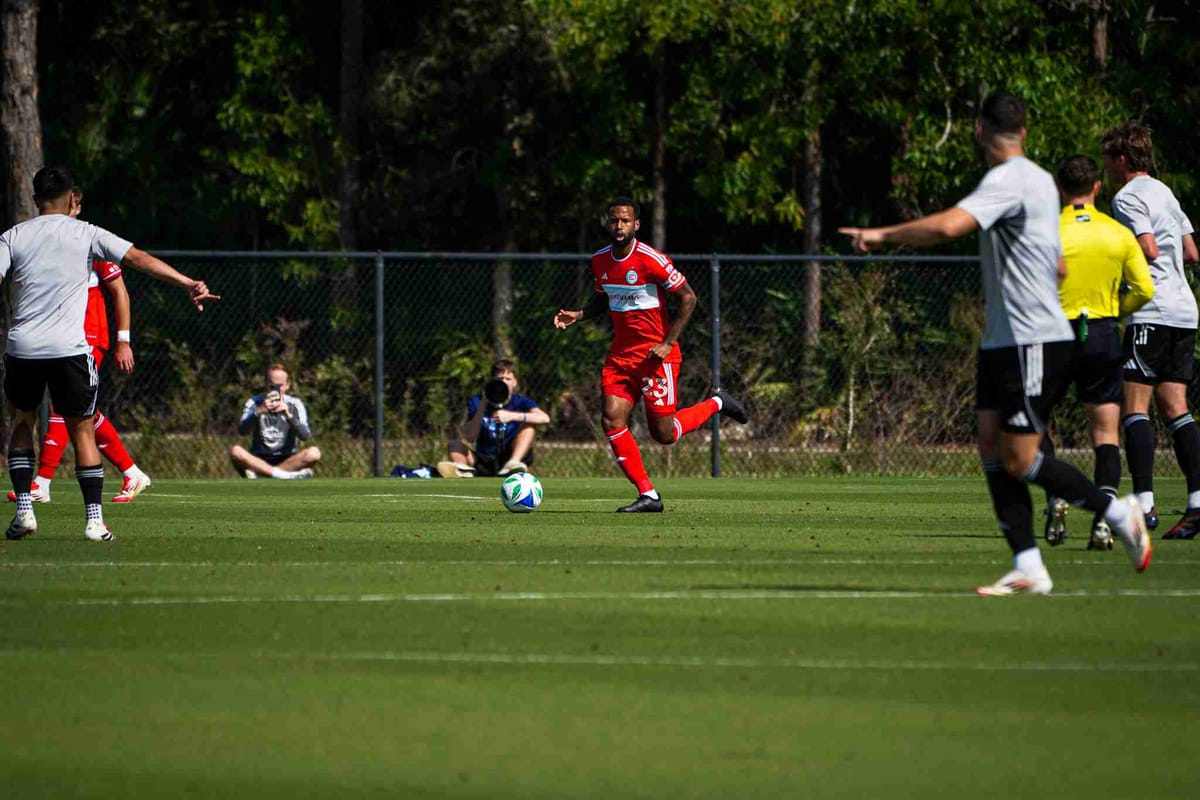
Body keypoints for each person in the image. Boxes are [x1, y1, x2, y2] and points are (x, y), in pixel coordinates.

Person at [838, 92, 1151, 595]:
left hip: (1032, 338)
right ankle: (1028, 565)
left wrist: (879, 235)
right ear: (1024, 131)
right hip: (1003, 339)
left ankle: (1118, 510)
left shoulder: (1007, 180)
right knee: (989, 443)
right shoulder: (1042, 183)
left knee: (1021, 458)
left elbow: (948, 226)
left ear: (980, 131)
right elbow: (1057, 262)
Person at [1, 165, 218, 542]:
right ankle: (94, 522)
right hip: (69, 349)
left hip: (23, 348)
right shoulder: (88, 233)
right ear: (73, 199)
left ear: (35, 200)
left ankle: (25, 511)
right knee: (82, 430)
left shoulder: (13, 236)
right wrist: (187, 282)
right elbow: (138, 259)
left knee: (22, 423)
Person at [554, 196, 748, 512]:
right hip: (620, 357)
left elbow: (688, 299)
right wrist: (579, 314)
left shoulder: (651, 260)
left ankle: (717, 402)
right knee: (611, 418)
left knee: (665, 434)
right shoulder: (600, 260)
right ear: (608, 222)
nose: (619, 226)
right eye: (614, 220)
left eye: (625, 221)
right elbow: (604, 298)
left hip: (656, 358)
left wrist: (668, 342)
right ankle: (649, 494)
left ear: (636, 225)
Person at [6, 191, 153, 505]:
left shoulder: (88, 241)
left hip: (86, 337)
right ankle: (131, 471)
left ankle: (42, 483)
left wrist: (123, 340)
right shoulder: (40, 244)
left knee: (65, 410)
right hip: (56, 339)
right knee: (83, 414)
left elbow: (120, 290)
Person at [1040, 155, 1154, 550]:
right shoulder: (1117, 233)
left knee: (1034, 422)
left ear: (1059, 188)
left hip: (1052, 334)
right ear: (1097, 188)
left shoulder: (1046, 229)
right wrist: (1113, 313)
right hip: (1102, 332)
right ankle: (1105, 518)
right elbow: (1144, 289)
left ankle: (1055, 495)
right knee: (1106, 433)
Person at [1101, 122, 1200, 540]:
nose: (1105, 166)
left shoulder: (1126, 197)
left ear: (1122, 159)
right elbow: (1192, 252)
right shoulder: (1165, 191)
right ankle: (1197, 504)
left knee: (1134, 406)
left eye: (1107, 157)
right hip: (1184, 311)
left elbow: (1147, 248)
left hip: (1152, 311)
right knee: (1175, 407)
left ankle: (1144, 505)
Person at [438, 360, 550, 478]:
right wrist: (483, 405)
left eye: (508, 379)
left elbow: (545, 418)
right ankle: (462, 471)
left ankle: (512, 465)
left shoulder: (520, 402)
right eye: (500, 379)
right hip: (483, 458)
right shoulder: (477, 401)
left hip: (508, 456)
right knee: (455, 445)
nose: (504, 382)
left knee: (529, 428)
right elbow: (470, 437)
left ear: (515, 383)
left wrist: (512, 416)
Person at [229, 364, 320, 479]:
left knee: (314, 453)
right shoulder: (254, 402)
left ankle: (265, 475)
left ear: (287, 385)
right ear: (266, 385)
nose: (276, 390)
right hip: (259, 459)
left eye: (280, 386)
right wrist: (259, 411)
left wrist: (288, 415)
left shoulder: (295, 404)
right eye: (272, 386)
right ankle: (283, 475)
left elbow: (305, 435)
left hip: (288, 459)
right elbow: (242, 431)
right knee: (235, 451)